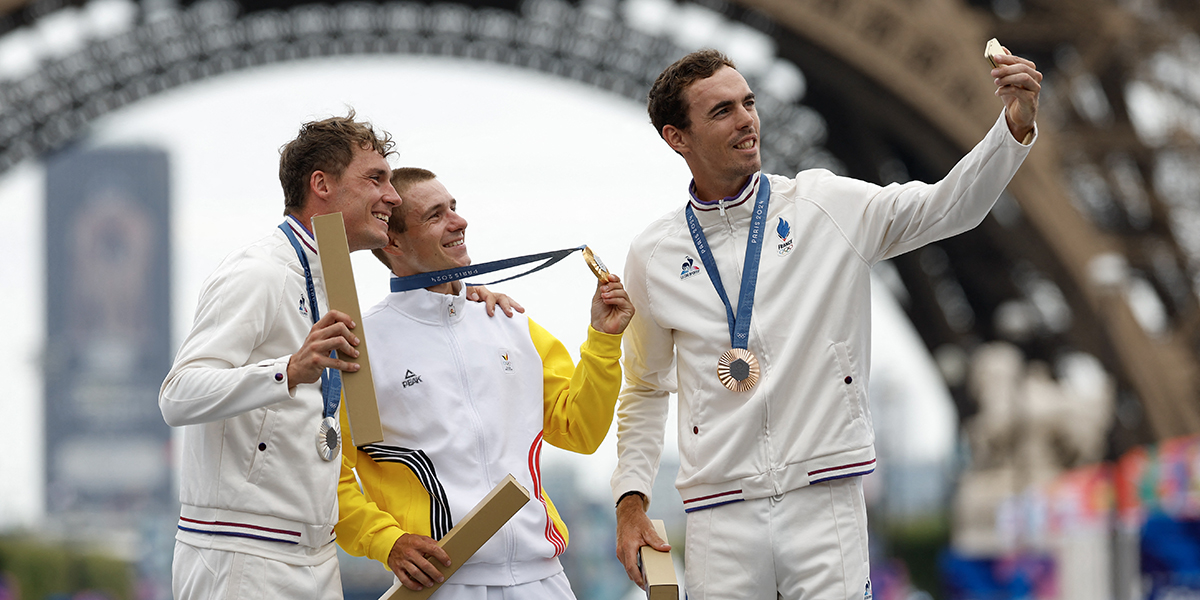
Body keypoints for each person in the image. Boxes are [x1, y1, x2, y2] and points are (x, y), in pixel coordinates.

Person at [610, 48, 1042, 600]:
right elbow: (645, 387)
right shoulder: (653, 255)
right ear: (678, 137)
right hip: (720, 515)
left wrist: (1013, 127)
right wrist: (631, 501)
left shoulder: (824, 204)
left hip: (825, 498)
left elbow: (947, 208)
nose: (746, 119)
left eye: (749, 102)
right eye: (722, 111)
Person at [158, 114, 514, 599]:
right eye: (376, 179)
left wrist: (460, 299)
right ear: (321, 185)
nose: (392, 196)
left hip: (314, 555)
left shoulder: (329, 282)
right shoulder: (260, 271)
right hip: (243, 556)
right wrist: (290, 369)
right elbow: (177, 396)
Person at [334, 168, 635, 600]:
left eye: (454, 207)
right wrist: (387, 541)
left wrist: (604, 341)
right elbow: (330, 476)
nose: (459, 222)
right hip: (443, 582)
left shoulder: (511, 324)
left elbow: (580, 432)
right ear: (393, 241)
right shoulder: (362, 347)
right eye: (436, 215)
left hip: (544, 579)